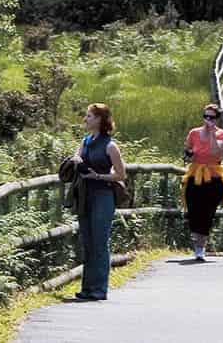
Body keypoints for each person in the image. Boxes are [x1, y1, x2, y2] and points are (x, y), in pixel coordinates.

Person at [71, 103, 126, 301]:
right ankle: (87, 288)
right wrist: (76, 161)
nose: (85, 119)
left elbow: (121, 175)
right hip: (85, 196)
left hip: (103, 197)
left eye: (89, 116)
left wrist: (98, 176)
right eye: (86, 116)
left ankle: (99, 289)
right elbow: (77, 157)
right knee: (87, 242)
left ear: (100, 120)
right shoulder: (85, 141)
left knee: (100, 242)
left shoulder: (111, 146)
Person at [181, 102, 223, 260]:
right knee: (193, 209)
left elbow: (217, 153)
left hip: (214, 176)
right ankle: (196, 242)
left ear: (217, 119)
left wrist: (211, 133)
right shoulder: (194, 133)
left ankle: (201, 246)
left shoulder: (221, 134)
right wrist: (188, 153)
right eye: (206, 116)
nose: (208, 120)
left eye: (211, 117)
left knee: (208, 211)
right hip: (195, 174)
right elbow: (187, 151)